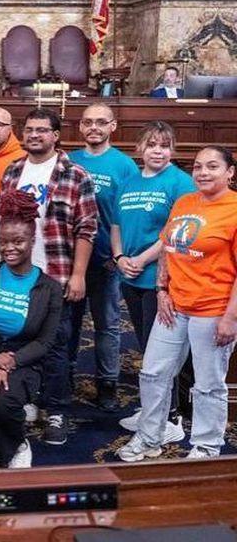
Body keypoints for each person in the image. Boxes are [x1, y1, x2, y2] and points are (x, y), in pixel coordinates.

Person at [117, 146, 237, 462]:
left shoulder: (235, 209)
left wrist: (230, 318)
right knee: (153, 373)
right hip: (174, 306)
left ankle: (206, 446)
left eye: (212, 166)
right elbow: (169, 249)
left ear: (230, 172)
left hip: (213, 311)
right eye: (198, 166)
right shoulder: (184, 202)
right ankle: (149, 437)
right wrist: (161, 290)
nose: (203, 172)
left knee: (208, 384)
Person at [0, 108, 98, 445]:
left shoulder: (75, 175)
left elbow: (87, 228)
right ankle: (27, 399)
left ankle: (57, 409)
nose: (34, 135)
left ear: (56, 135)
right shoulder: (12, 171)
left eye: (42, 130)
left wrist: (79, 274)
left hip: (56, 273)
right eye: (29, 130)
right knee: (19, 340)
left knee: (56, 346)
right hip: (17, 274)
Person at [0, 190, 63, 468]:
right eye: (4, 242)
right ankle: (7, 419)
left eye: (18, 241)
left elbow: (45, 341)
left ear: (32, 241)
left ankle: (18, 443)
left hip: (24, 361)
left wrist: (9, 361)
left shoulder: (49, 288)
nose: (9, 248)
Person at [111, 121, 194, 443]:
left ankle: (170, 417)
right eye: (151, 144)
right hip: (129, 274)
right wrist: (120, 257)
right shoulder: (129, 180)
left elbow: (175, 232)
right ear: (140, 148)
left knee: (162, 352)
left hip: (160, 279)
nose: (157, 151)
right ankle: (152, 409)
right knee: (146, 348)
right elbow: (116, 224)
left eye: (164, 145)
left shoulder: (180, 183)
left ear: (172, 150)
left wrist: (142, 260)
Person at [68, 103, 139, 411]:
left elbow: (129, 215)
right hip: (71, 261)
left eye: (100, 122)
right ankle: (64, 377)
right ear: (80, 127)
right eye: (87, 122)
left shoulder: (124, 166)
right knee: (67, 325)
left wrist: (119, 254)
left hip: (106, 260)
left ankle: (107, 383)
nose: (93, 127)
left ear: (112, 126)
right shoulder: (69, 161)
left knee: (107, 324)